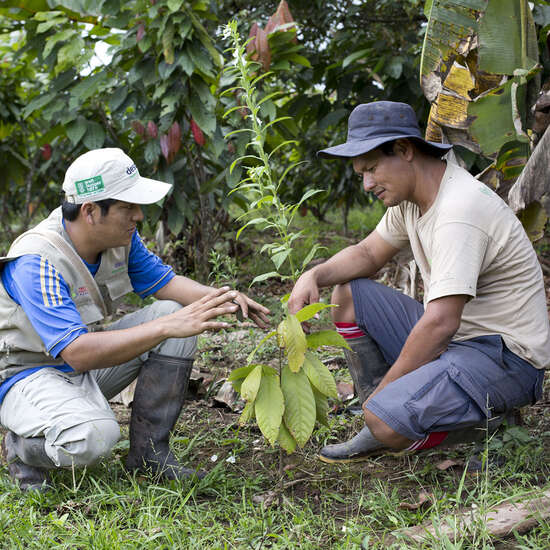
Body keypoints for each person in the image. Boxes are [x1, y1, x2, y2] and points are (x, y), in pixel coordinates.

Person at [288, 101, 550, 463]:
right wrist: (313, 274)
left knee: (384, 419)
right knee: (348, 293)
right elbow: (367, 254)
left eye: (371, 169)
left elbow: (442, 323)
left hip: (505, 359)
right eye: (361, 173)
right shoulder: (413, 200)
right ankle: (381, 416)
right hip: (460, 344)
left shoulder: (459, 211)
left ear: (405, 150)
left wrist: (386, 391)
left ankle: (488, 425)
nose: (366, 184)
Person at [0, 148, 270, 491]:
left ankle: (148, 455)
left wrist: (225, 299)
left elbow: (166, 284)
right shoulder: (36, 260)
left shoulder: (118, 239)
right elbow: (78, 352)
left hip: (77, 369)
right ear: (91, 211)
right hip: (27, 377)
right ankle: (22, 448)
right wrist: (165, 327)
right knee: (93, 437)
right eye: (128, 207)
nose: (139, 215)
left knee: (173, 313)